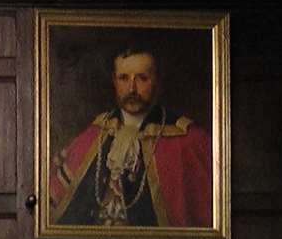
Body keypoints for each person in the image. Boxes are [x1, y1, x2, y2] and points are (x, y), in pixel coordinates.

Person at [49, 48, 214, 229]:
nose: (132, 88)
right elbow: (53, 199)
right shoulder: (95, 132)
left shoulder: (188, 140)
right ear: (114, 80)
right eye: (124, 78)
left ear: (157, 82)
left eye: (142, 78)